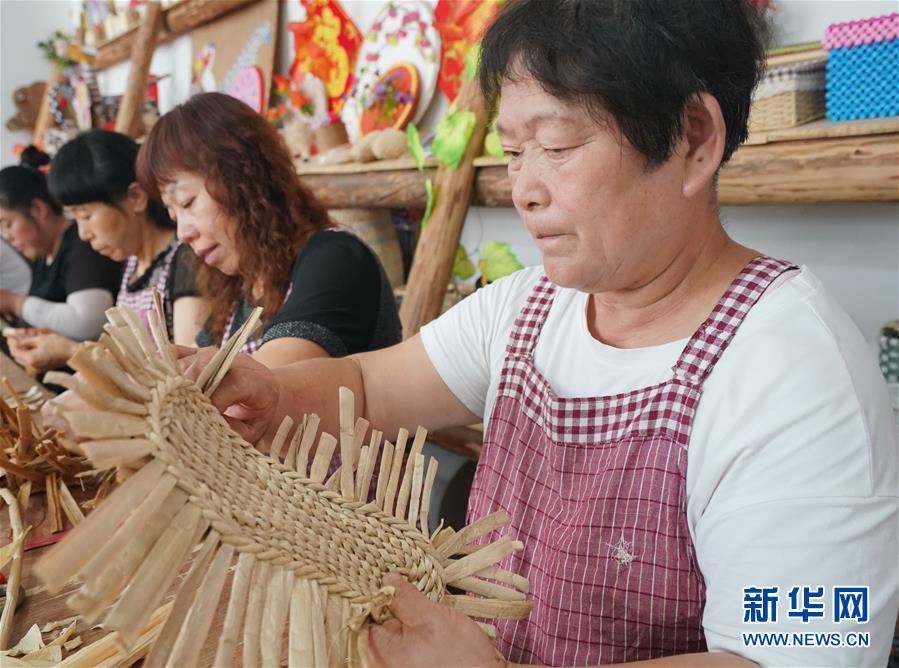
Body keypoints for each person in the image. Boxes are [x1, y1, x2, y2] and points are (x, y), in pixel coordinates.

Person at [180, 1, 898, 666]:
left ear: (693, 137)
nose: (522, 187)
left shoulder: (797, 372)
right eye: (512, 149)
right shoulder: (529, 307)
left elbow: (784, 660)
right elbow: (368, 387)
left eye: (555, 144)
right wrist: (269, 394)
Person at [136, 92, 401, 369]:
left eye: (187, 202)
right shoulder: (240, 293)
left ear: (241, 178)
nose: (182, 233)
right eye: (173, 213)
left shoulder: (336, 260)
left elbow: (260, 385)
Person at [6, 130, 205, 373]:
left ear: (136, 197)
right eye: (75, 218)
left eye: (87, 215)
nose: (83, 233)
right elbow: (127, 353)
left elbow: (187, 374)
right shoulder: (132, 263)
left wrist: (72, 351)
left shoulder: (185, 262)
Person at [0, 146, 121, 349]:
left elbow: (88, 323)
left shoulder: (82, 246)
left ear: (38, 209)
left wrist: (14, 303)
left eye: (8, 224)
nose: (7, 237)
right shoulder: (42, 259)